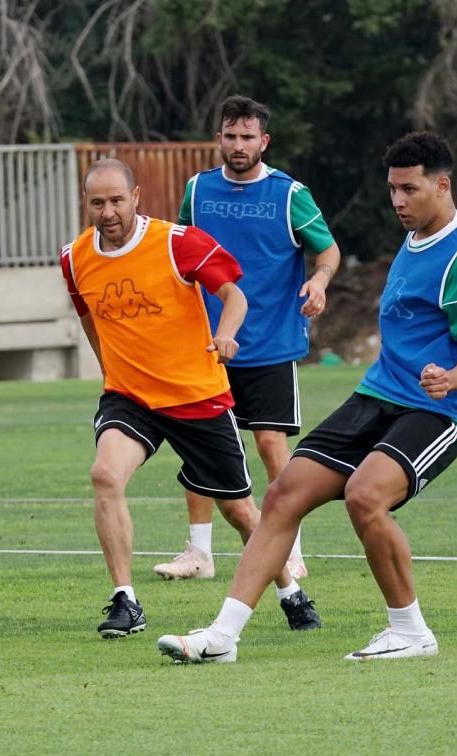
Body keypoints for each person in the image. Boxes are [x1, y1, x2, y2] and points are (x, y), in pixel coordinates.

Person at [157, 131, 457, 663]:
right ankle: (222, 636)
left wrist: (452, 378)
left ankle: (410, 631)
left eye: (410, 190)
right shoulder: (417, 241)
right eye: (392, 189)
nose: (398, 201)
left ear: (442, 185)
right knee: (286, 492)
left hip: (437, 411)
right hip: (378, 393)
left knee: (366, 496)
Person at [59, 158, 321, 639]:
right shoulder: (74, 258)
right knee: (104, 475)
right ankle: (125, 601)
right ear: (87, 204)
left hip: (195, 396)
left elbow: (235, 295)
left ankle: (289, 590)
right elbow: (89, 318)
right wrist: (109, 371)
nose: (108, 211)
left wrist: (225, 335)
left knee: (239, 511)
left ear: (136, 198)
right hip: (130, 397)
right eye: (97, 202)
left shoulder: (178, 242)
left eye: (117, 200)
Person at [152, 95, 341, 585]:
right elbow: (182, 255)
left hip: (272, 344)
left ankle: (290, 549)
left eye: (248, 137)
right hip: (207, 344)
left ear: (264, 141)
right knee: (200, 446)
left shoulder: (289, 194)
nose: (238, 146)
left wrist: (318, 283)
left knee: (270, 444)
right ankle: (199, 552)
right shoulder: (197, 190)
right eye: (230, 136)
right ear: (219, 139)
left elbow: (328, 252)